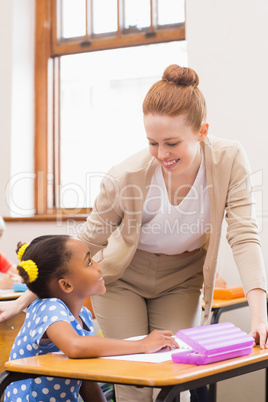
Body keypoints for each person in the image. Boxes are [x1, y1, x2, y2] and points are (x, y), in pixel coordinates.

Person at [0, 64, 267, 402]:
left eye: (172, 143)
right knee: (133, 382)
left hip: (182, 279)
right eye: (152, 143)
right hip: (121, 279)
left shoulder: (229, 159)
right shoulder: (126, 176)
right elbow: (88, 240)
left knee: (174, 374)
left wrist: (259, 316)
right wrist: (29, 295)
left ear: (202, 131)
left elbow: (244, 235)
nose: (162, 154)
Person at [4, 235, 178, 402]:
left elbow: (85, 379)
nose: (98, 266)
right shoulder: (48, 308)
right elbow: (75, 347)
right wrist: (142, 345)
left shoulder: (83, 316)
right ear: (66, 284)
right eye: (89, 262)